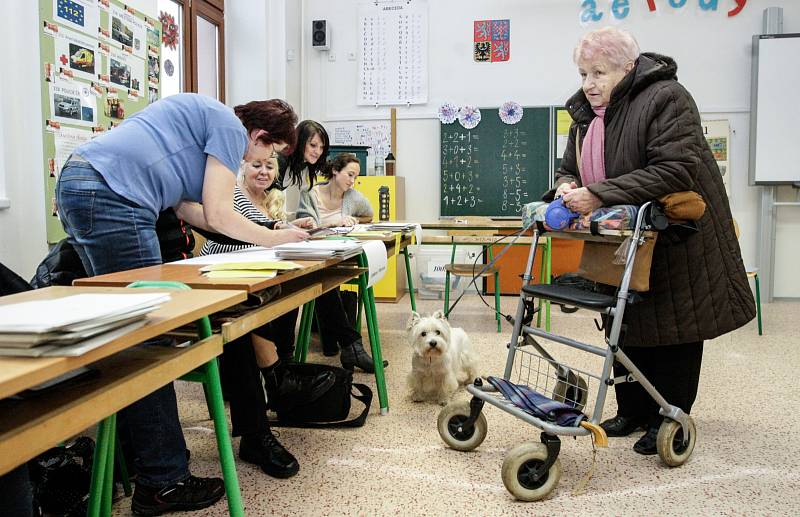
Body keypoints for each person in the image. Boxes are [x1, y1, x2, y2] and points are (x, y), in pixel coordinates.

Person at [55, 93, 308, 515]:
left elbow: (195, 211)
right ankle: (163, 480)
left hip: (84, 181)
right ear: (260, 135)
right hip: (113, 195)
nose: (257, 160)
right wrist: (276, 239)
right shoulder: (229, 128)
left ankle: (137, 462)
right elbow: (221, 214)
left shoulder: (200, 119)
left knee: (127, 329)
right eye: (268, 152)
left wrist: (267, 232)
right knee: (148, 335)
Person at [549, 27, 755, 455]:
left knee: (675, 326)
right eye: (584, 73)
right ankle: (633, 410)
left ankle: (671, 415)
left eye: (599, 72)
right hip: (623, 240)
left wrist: (599, 193)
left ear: (628, 67)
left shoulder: (666, 98)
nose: (589, 83)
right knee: (625, 321)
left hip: (678, 233)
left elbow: (675, 169)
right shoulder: (588, 114)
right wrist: (567, 184)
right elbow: (569, 166)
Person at [297, 152, 374, 228]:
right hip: (317, 240)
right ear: (335, 170)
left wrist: (355, 219)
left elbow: (369, 216)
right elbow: (305, 227)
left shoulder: (353, 196)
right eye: (350, 175)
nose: (352, 181)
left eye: (355, 177)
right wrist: (333, 223)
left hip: (344, 239)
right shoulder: (309, 194)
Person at [276, 120, 330, 218]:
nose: (318, 152)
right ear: (300, 142)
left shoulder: (306, 163)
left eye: (322, 147)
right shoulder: (280, 160)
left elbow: (328, 169)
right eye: (313, 145)